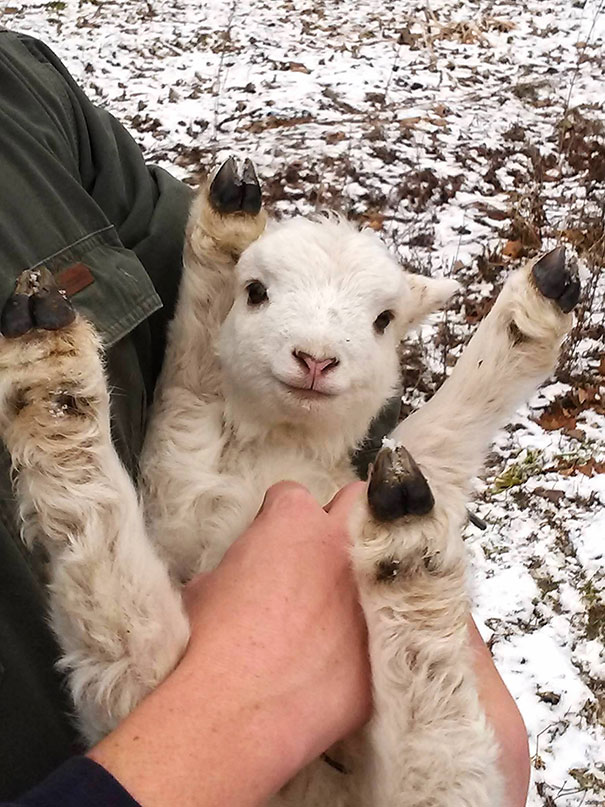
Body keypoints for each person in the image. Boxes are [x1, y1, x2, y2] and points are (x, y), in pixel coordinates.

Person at [0, 29, 530, 806]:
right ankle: (65, 457)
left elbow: (230, 288)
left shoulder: (24, 91)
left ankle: (65, 453)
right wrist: (242, 698)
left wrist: (217, 266)